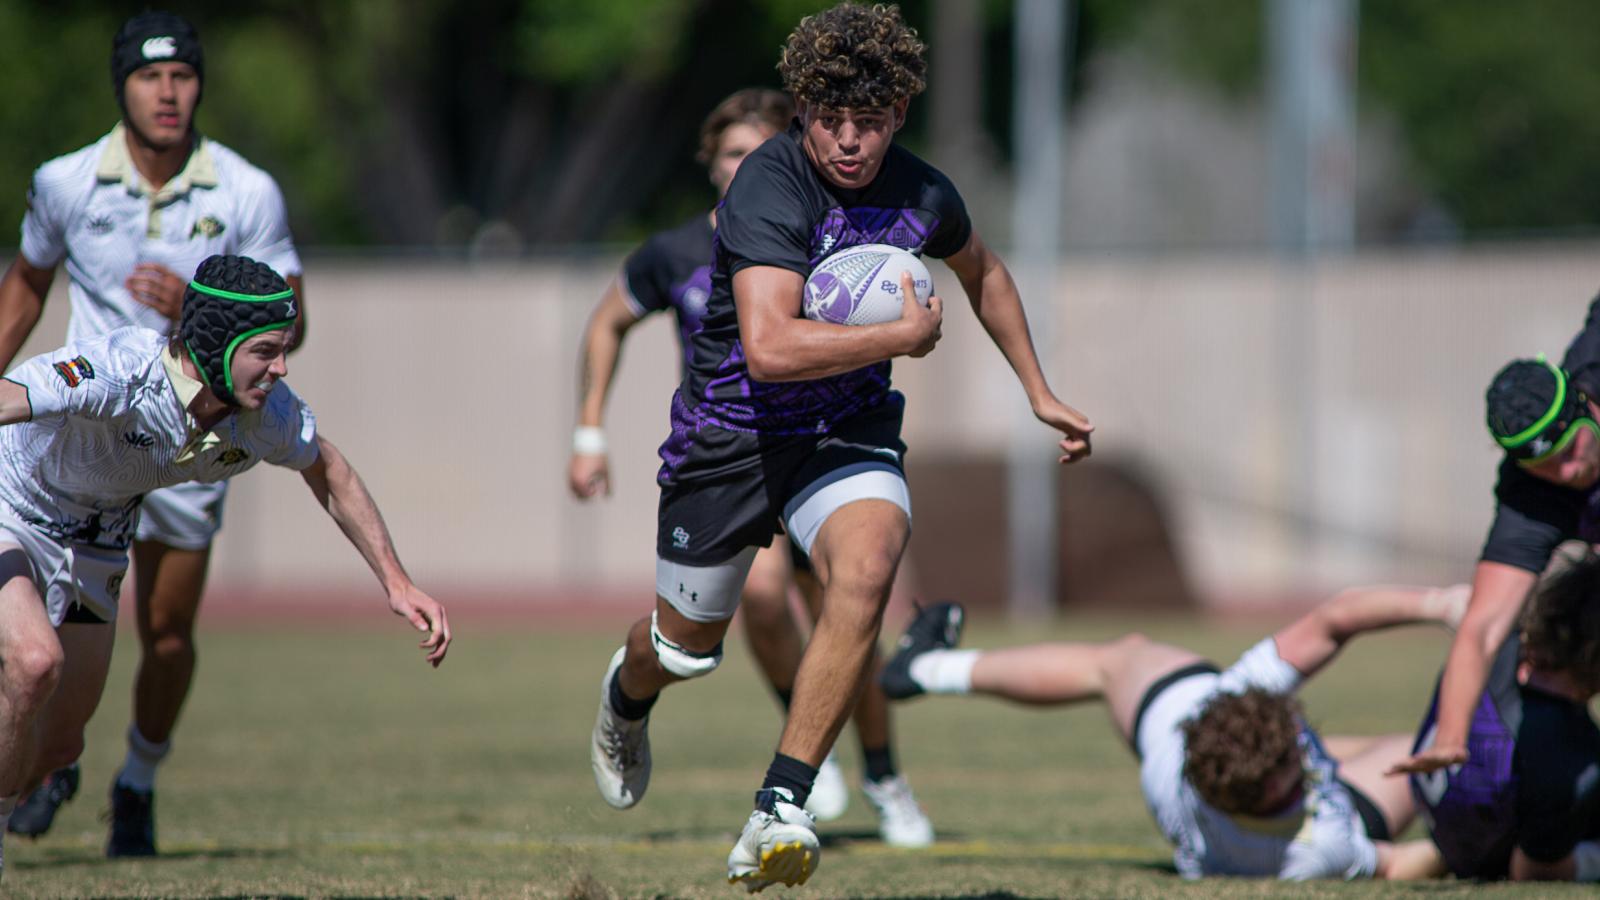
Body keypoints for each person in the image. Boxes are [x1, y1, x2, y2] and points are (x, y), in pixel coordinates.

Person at [585, 3, 1093, 890]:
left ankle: (778, 805)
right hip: (732, 436)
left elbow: (985, 272)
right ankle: (626, 700)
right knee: (682, 649)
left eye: (870, 123)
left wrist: (1039, 392)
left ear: (899, 117)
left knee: (868, 566)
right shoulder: (769, 186)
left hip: (842, 431)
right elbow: (771, 351)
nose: (851, 142)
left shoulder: (924, 189)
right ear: (802, 111)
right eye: (832, 121)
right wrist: (901, 339)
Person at [0, 254, 448, 882]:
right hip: (12, 508)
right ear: (216, 342)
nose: (282, 367)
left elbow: (330, 470)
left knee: (59, 745)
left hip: (98, 541)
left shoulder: (265, 415)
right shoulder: (122, 371)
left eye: (284, 349)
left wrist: (398, 583)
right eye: (266, 350)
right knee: (33, 661)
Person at [569, 87, 931, 846]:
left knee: (856, 593)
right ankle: (644, 700)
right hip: (731, 458)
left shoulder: (834, 241)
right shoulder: (673, 252)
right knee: (711, 634)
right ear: (711, 164)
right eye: (733, 153)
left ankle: (871, 774)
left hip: (828, 447)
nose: (748, 166)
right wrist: (589, 432)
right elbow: (607, 321)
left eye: (760, 151)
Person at [0, 11, 307, 855]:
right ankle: (54, 756)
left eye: (182, 76)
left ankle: (135, 778)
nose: (167, 93)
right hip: (88, 432)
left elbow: (292, 322)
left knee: (168, 630)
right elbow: (25, 288)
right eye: (149, 76)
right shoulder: (65, 182)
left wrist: (201, 313)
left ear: (199, 85)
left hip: (189, 437)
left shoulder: (246, 190)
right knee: (41, 645)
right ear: (122, 85)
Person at [878, 586, 1464, 881]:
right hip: (1299, 813)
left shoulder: (1211, 712)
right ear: (1276, 790)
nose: (1304, 749)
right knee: (1425, 756)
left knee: (1117, 661)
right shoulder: (1319, 848)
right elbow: (1395, 863)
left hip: (1167, 749)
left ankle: (925, 669)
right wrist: (1481, 837)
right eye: (1298, 761)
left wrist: (1444, 605)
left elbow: (1338, 617)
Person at [1390, 314, 1600, 783]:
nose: (1565, 474)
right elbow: (1482, 627)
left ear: (1584, 407)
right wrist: (1450, 735)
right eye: (1545, 465)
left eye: (1570, 451)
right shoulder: (1528, 495)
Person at [1408, 552, 1600, 883]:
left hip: (1441, 821)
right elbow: (1534, 870)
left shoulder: (1480, 661)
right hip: (1493, 855)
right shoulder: (1574, 764)